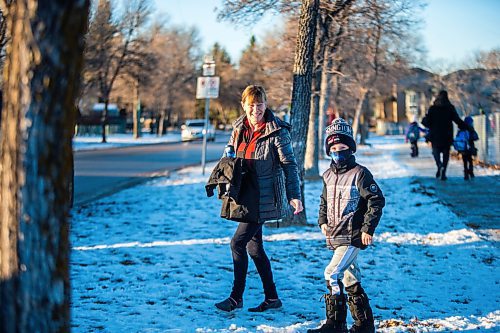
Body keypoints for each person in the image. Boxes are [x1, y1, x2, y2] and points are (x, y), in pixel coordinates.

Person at [214, 85, 303, 312]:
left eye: (260, 104)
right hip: (244, 194)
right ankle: (272, 298)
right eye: (251, 104)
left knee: (237, 243)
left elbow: (289, 165)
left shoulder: (277, 131)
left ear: (266, 104)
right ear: (243, 105)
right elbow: (230, 155)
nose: (256, 109)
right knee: (254, 249)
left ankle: (236, 297)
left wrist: (294, 195)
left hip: (263, 197)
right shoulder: (238, 128)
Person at [308, 118, 385, 333]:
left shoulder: (360, 173)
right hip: (335, 233)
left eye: (342, 148)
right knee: (350, 276)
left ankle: (336, 323)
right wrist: (322, 221)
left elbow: (376, 200)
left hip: (353, 235)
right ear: (328, 151)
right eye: (333, 149)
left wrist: (368, 228)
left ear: (351, 149)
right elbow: (324, 200)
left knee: (331, 274)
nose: (338, 153)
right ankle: (364, 324)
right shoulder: (327, 175)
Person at [422, 90, 469, 181]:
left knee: (436, 152)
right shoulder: (450, 108)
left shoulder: (433, 108)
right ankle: (443, 171)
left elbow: (427, 122)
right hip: (447, 135)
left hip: (435, 135)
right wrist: (466, 127)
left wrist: (426, 122)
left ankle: (439, 165)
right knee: (446, 154)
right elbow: (457, 120)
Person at [460, 116, 479, 180]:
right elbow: (476, 137)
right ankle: (471, 172)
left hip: (463, 147)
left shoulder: (461, 129)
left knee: (465, 160)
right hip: (470, 147)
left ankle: (466, 173)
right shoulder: (471, 129)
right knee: (470, 160)